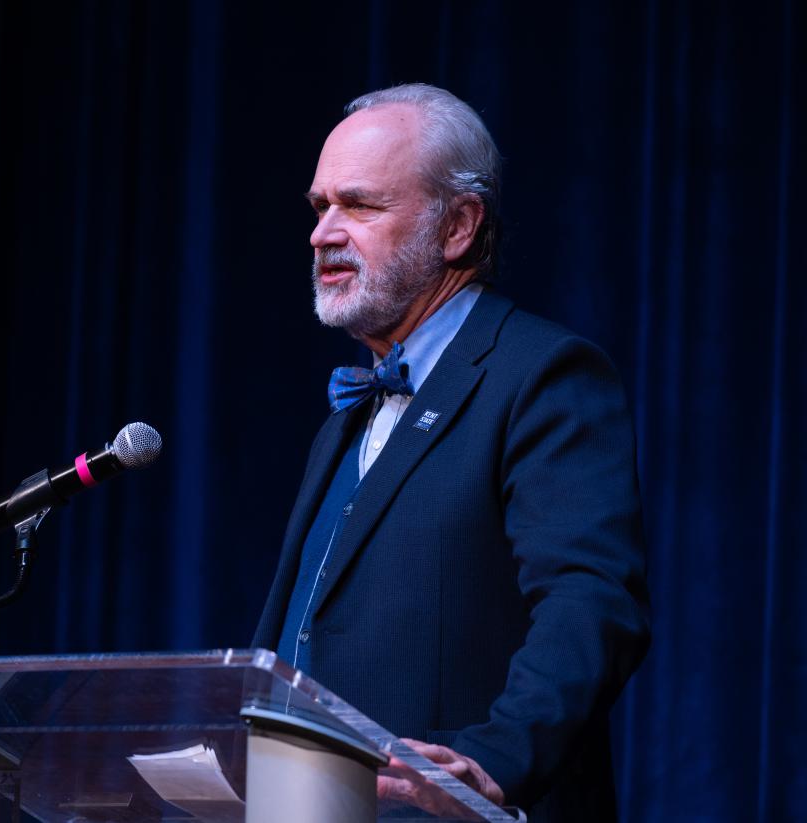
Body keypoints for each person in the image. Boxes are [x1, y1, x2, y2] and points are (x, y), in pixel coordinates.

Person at [252, 83, 651, 821]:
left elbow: (590, 601)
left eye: (359, 205)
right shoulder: (345, 418)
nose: (322, 233)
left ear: (458, 226)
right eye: (319, 206)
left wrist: (495, 760)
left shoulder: (542, 375)